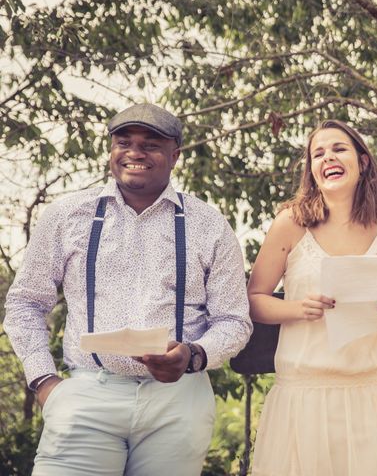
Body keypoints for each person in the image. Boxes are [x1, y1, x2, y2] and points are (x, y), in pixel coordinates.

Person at [4, 103, 252, 475]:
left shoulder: (209, 225)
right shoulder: (67, 215)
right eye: (124, 142)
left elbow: (234, 320)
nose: (135, 152)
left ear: (175, 155)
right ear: (111, 150)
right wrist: (44, 382)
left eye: (151, 144)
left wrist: (194, 355)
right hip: (88, 394)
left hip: (178, 403)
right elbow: (25, 304)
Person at [247, 120, 377, 476]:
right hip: (304, 395)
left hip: (370, 393)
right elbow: (254, 299)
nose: (328, 156)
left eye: (338, 148)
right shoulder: (290, 222)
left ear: (363, 162)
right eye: (318, 153)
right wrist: (298, 308)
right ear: (312, 170)